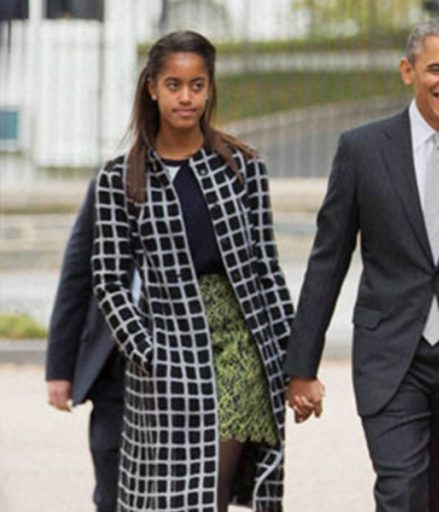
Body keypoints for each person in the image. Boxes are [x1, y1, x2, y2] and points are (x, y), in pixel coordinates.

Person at [284, 18, 439, 512]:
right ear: (408, 70)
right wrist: (302, 366)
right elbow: (328, 259)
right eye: (437, 68)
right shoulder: (362, 150)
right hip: (391, 354)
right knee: (401, 493)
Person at [91, 30, 293, 511]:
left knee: (210, 493)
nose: (187, 97)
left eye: (197, 85)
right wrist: (145, 350)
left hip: (240, 346)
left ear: (209, 88)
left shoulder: (243, 168)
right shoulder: (120, 178)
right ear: (152, 87)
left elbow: (267, 268)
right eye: (175, 84)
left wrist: (295, 361)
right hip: (166, 350)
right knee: (164, 496)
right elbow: (108, 278)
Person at [45, 178, 124, 512]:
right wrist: (59, 369)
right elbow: (76, 274)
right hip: (115, 364)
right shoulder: (111, 183)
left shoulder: (220, 176)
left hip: (192, 362)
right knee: (112, 490)